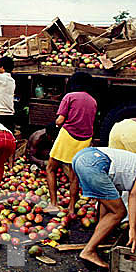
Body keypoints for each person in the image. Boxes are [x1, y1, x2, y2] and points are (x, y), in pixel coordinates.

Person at [72, 147, 136, 269]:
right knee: (119, 212)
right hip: (94, 162)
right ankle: (89, 251)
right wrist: (132, 229)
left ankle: (101, 236)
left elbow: (112, 196)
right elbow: (133, 196)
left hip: (83, 156)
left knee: (111, 204)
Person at [45, 72, 97, 214]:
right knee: (74, 176)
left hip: (68, 136)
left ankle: (53, 203)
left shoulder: (70, 97)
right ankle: (72, 208)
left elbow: (60, 120)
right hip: (85, 139)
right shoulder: (93, 101)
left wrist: (55, 123)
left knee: (50, 168)